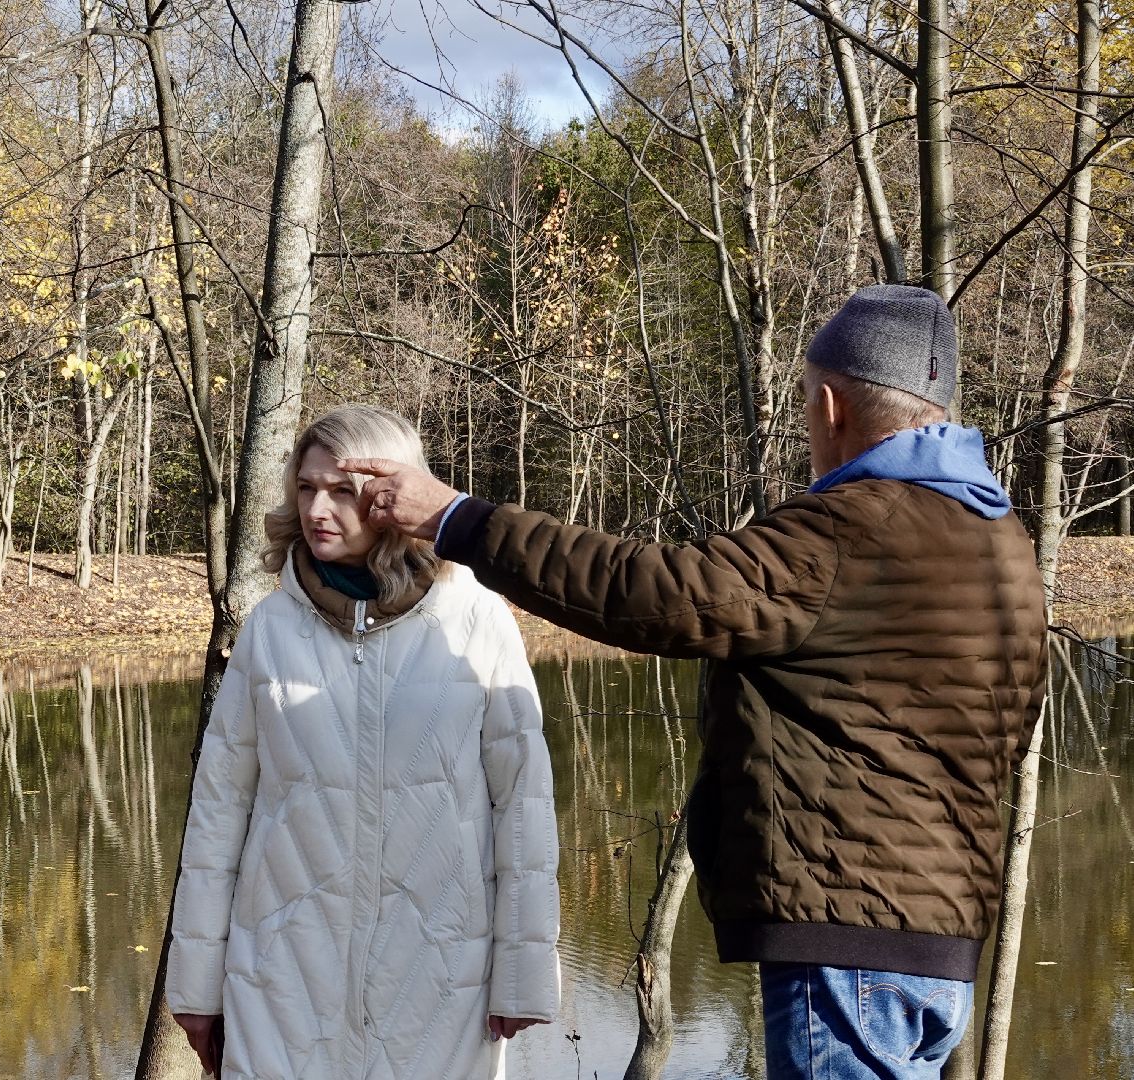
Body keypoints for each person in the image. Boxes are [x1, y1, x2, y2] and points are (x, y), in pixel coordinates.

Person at [348, 284, 1049, 1080]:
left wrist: (457, 519)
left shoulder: (849, 529)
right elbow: (1014, 724)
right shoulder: (1001, 539)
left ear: (831, 406)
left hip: (847, 937)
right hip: (940, 945)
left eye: (805, 402)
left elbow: (655, 593)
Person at [166, 405, 561, 1080]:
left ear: (394, 493)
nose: (317, 509)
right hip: (280, 978)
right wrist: (197, 985)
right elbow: (218, 814)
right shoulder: (270, 630)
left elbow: (522, 805)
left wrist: (523, 975)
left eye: (341, 491)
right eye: (306, 487)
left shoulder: (474, 622)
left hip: (439, 979)